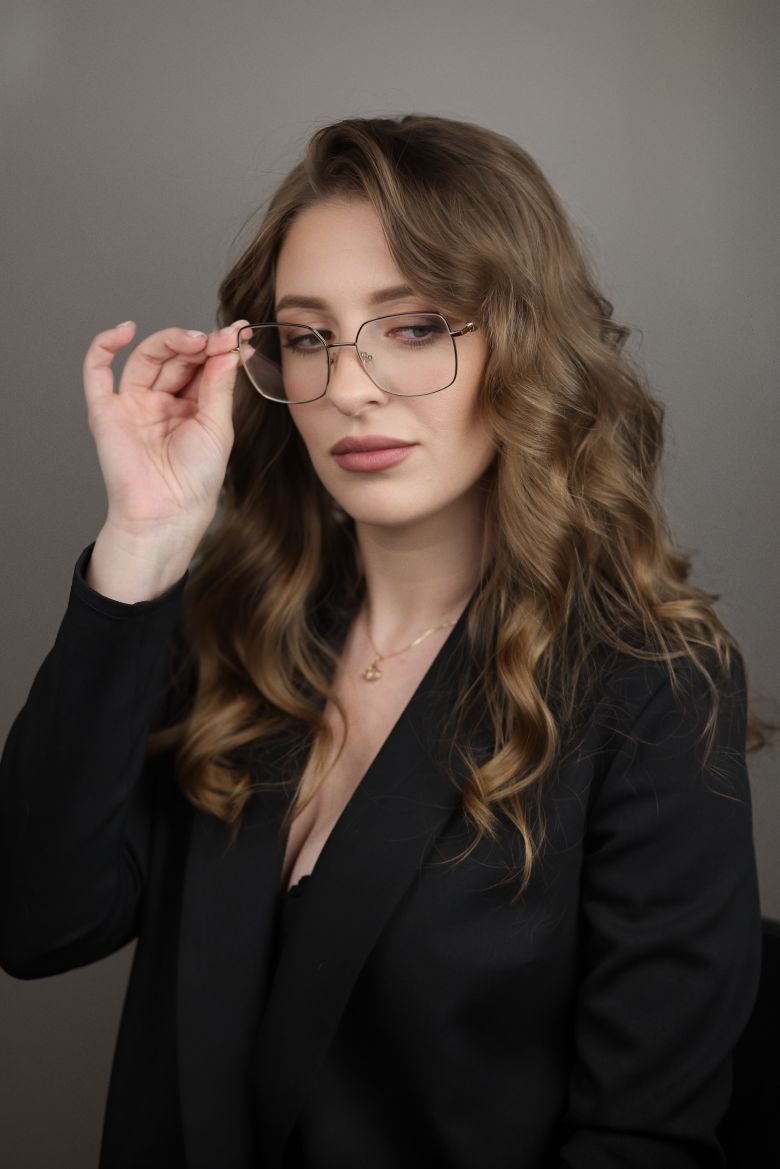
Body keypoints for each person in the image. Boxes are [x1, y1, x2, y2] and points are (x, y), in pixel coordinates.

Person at [0, 114, 766, 1169]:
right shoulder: (228, 628)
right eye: (309, 336)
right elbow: (36, 923)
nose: (351, 386)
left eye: (414, 326)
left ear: (524, 343)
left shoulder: (650, 685)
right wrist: (142, 543)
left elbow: (642, 1137)